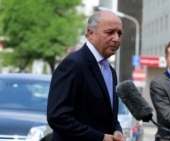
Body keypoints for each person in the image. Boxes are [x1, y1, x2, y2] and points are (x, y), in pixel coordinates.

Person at [47, 10, 125, 141]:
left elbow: (107, 115)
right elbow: (57, 117)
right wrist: (100, 137)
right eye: (110, 32)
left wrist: (117, 129)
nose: (116, 38)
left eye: (119, 33)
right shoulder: (73, 64)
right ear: (91, 34)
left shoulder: (110, 71)